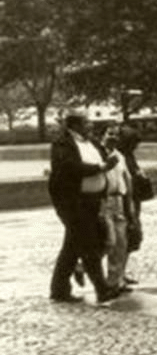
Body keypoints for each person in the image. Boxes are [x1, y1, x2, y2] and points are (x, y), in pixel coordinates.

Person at [48, 110, 121, 304]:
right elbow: (70, 167)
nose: (91, 125)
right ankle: (101, 289)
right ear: (75, 126)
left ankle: (59, 289)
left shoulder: (92, 142)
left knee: (73, 246)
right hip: (73, 202)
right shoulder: (62, 144)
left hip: (93, 201)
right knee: (88, 244)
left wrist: (108, 151)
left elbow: (104, 159)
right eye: (87, 122)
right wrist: (100, 168)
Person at [115, 126, 150, 287]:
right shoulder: (121, 157)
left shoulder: (128, 156)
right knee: (121, 239)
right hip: (125, 203)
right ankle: (116, 276)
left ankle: (120, 274)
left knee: (130, 239)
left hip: (133, 201)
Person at [99, 127, 131, 293]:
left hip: (119, 199)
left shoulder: (120, 156)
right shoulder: (98, 153)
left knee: (120, 243)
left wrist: (129, 205)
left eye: (117, 135)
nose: (113, 138)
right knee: (109, 241)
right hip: (105, 200)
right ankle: (81, 266)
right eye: (110, 133)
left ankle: (114, 281)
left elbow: (126, 179)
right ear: (103, 135)